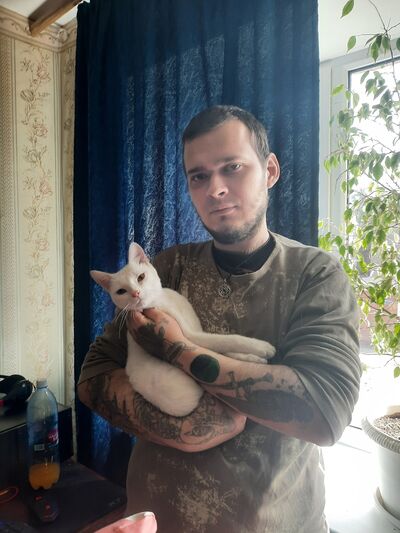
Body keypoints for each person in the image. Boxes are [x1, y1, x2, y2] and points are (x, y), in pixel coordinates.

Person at [78, 105, 361, 533]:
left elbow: (326, 412)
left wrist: (177, 349)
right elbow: (92, 376)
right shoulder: (166, 268)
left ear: (269, 170)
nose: (216, 189)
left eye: (232, 167)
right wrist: (185, 429)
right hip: (154, 522)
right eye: (199, 176)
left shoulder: (315, 274)